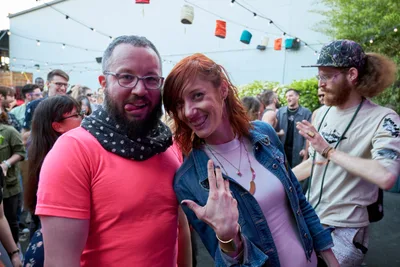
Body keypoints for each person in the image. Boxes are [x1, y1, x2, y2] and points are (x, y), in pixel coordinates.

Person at [163, 53, 338, 267]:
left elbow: (299, 202)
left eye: (197, 95)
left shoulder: (263, 135)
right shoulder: (189, 180)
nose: (188, 112)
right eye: (179, 104)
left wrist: (330, 259)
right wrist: (228, 237)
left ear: (223, 90)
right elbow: (224, 260)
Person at [36, 35, 191, 267]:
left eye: (151, 79)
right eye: (126, 77)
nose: (140, 89)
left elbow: (180, 230)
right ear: (103, 82)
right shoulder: (73, 152)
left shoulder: (166, 146)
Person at [294, 39, 400, 266]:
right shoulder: (321, 113)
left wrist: (329, 150)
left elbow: (386, 175)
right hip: (311, 222)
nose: (320, 84)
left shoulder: (384, 119)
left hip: (344, 233)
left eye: (326, 75)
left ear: (351, 75)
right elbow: (315, 163)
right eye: (318, 76)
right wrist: (273, 180)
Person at [22, 95, 83, 267]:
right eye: (77, 115)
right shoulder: (60, 161)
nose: (84, 119)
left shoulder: (45, 152)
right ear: (57, 126)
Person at [0, 100, 25, 246]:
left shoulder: (8, 131)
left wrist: (6, 164)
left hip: (9, 187)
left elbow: (21, 152)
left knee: (10, 221)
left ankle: (14, 249)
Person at [22, 69, 69, 136]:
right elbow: (24, 135)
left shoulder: (71, 106)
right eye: (58, 84)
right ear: (48, 84)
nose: (63, 88)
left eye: (65, 85)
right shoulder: (34, 105)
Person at [277, 89, 312, 168]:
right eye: (286, 97)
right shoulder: (280, 112)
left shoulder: (306, 113)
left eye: (291, 96)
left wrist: (304, 149)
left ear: (297, 97)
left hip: (298, 150)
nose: (288, 98)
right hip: (283, 150)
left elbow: (309, 133)